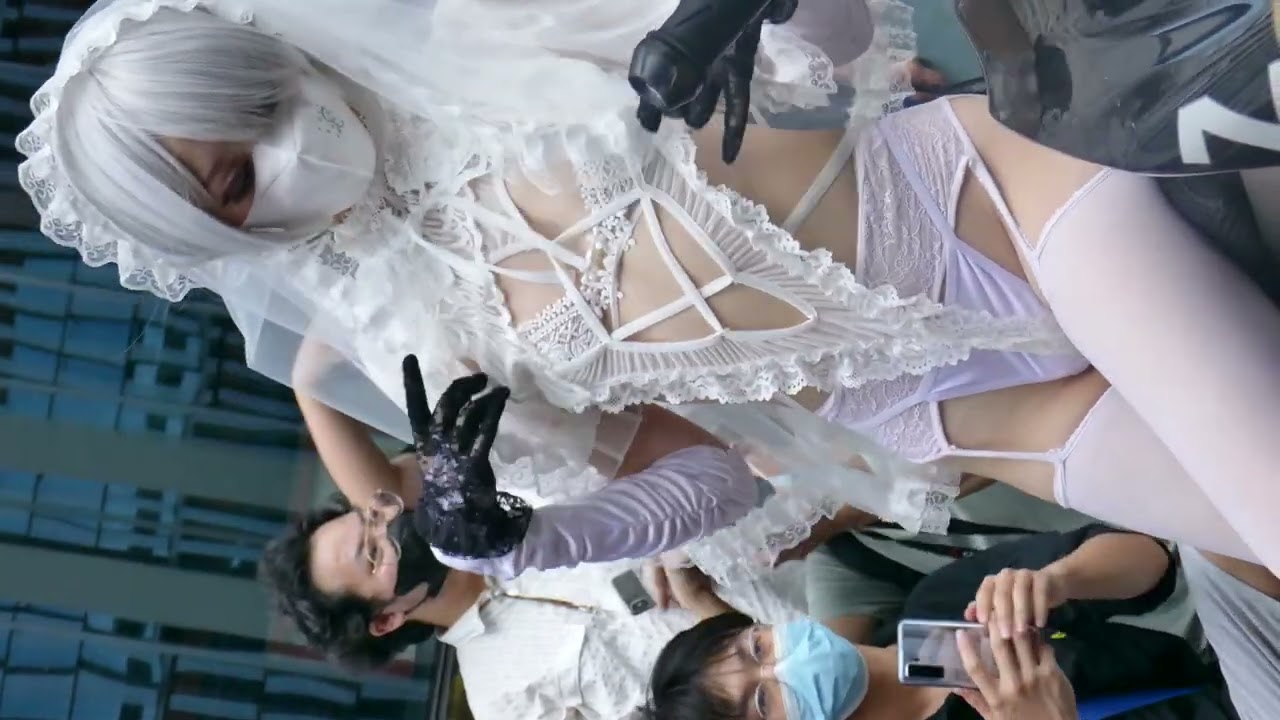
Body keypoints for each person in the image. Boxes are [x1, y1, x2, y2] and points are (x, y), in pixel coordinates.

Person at [20, 0, 1280, 585]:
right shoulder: (416, 345)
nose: (283, 155)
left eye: (258, 106)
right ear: (221, 237)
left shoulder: (486, 33)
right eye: (237, 184)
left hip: (993, 207)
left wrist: (752, 12)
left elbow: (841, 40)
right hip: (966, 422)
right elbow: (712, 477)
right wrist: (522, 540)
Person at [259, 391, 807, 720]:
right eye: (372, 555)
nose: (392, 529)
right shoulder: (499, 700)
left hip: (813, 550)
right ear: (386, 620)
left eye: (374, 522)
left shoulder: (519, 498)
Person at [645, 525, 1238, 720]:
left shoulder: (944, 606)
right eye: (763, 702)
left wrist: (1061, 580)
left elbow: (1151, 561)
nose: (786, 665)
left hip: (1231, 644)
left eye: (757, 648)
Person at [802, 482, 1200, 646]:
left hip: (1189, 528)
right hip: (1185, 641)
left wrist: (852, 501)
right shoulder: (842, 558)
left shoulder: (915, 450)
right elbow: (838, 666)